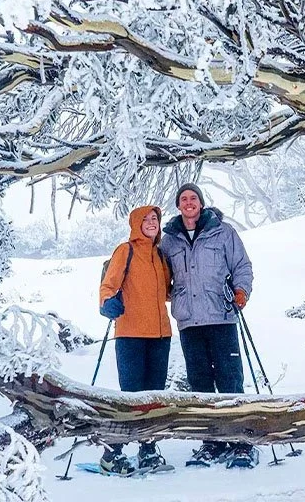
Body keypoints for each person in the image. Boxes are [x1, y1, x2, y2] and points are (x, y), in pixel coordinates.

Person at [159, 183, 257, 468]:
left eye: (193, 198)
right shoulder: (169, 240)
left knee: (230, 379)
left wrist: (242, 291)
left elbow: (242, 266)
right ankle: (211, 442)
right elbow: (160, 274)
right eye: (183, 199)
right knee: (199, 382)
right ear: (178, 206)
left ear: (201, 203)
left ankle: (240, 442)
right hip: (189, 322)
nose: (189, 203)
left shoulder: (223, 232)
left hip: (221, 315)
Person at [98, 205, 172, 475]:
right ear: (136, 223)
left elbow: (167, 292)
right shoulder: (125, 251)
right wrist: (107, 303)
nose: (152, 223)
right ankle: (111, 453)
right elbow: (108, 285)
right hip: (130, 334)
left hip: (160, 335)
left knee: (154, 396)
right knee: (131, 397)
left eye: (155, 219)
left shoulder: (160, 255)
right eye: (147, 219)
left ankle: (148, 449)